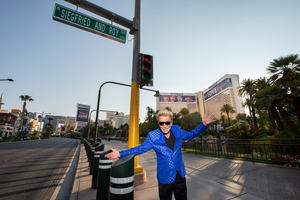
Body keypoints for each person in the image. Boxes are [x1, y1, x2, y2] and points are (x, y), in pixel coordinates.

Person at [105, 110, 216, 200]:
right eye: (161, 123)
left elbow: (192, 134)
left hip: (180, 174)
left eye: (167, 122)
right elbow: (140, 148)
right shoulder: (153, 136)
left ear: (171, 123)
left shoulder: (177, 130)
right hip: (164, 176)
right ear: (159, 123)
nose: (164, 126)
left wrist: (204, 124)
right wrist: (120, 153)